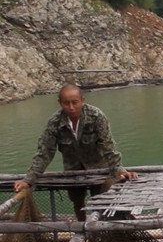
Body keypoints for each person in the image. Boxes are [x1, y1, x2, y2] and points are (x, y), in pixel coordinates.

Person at [13, 84, 138, 221]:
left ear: (82, 100)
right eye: (66, 103)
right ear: (60, 103)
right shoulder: (54, 123)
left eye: (75, 102)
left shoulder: (96, 116)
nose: (71, 107)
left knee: (102, 200)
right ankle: (82, 228)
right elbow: (45, 152)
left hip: (98, 168)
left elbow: (108, 146)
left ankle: (101, 231)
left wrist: (119, 169)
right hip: (73, 171)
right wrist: (28, 179)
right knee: (77, 202)